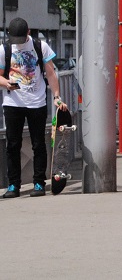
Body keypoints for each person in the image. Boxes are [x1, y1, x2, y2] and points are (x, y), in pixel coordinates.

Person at [1, 18, 68, 198]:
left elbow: (51, 73)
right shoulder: (4, 49)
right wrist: (6, 83)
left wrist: (56, 96)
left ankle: (39, 182)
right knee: (12, 145)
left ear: (28, 33)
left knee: (38, 144)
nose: (18, 43)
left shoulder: (40, 46)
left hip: (36, 102)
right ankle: (13, 185)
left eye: (21, 39)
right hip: (13, 103)